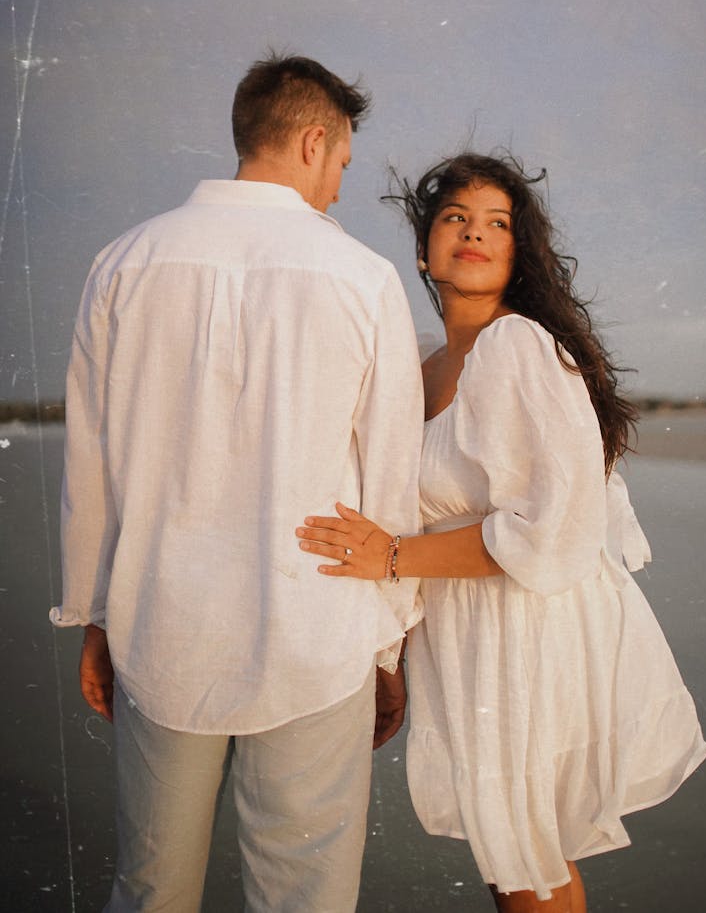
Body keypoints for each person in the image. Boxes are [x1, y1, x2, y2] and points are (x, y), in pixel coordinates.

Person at [50, 53, 425, 913]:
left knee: (150, 889)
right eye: (339, 163)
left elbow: (91, 469)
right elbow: (389, 485)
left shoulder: (120, 264)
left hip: (162, 631)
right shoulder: (364, 279)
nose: (335, 187)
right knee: (306, 897)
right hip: (317, 634)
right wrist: (388, 648)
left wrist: (95, 615)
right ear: (312, 140)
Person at [297, 152, 706, 912]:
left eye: (497, 223)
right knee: (508, 854)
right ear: (425, 249)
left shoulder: (521, 346)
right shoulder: (420, 371)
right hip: (461, 629)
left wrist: (390, 557)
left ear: (519, 253)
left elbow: (558, 529)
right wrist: (391, 653)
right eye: (455, 218)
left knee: (525, 852)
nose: (475, 233)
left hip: (529, 624)